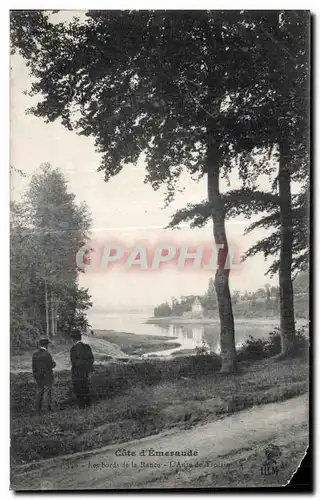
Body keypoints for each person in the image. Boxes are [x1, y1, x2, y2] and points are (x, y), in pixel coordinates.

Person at [70, 330, 94, 408]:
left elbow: (74, 363)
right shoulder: (87, 347)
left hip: (77, 373)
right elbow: (91, 360)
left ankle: (82, 407)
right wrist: (89, 371)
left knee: (78, 391)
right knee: (85, 389)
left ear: (73, 339)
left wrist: (80, 363)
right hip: (85, 373)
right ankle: (88, 406)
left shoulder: (73, 349)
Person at [32, 337, 56, 415]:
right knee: (47, 394)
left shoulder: (35, 354)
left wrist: (36, 376)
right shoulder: (47, 354)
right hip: (47, 377)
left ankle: (37, 410)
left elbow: (34, 367)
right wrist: (54, 363)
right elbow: (52, 365)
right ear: (46, 345)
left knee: (39, 393)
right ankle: (47, 410)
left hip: (38, 378)